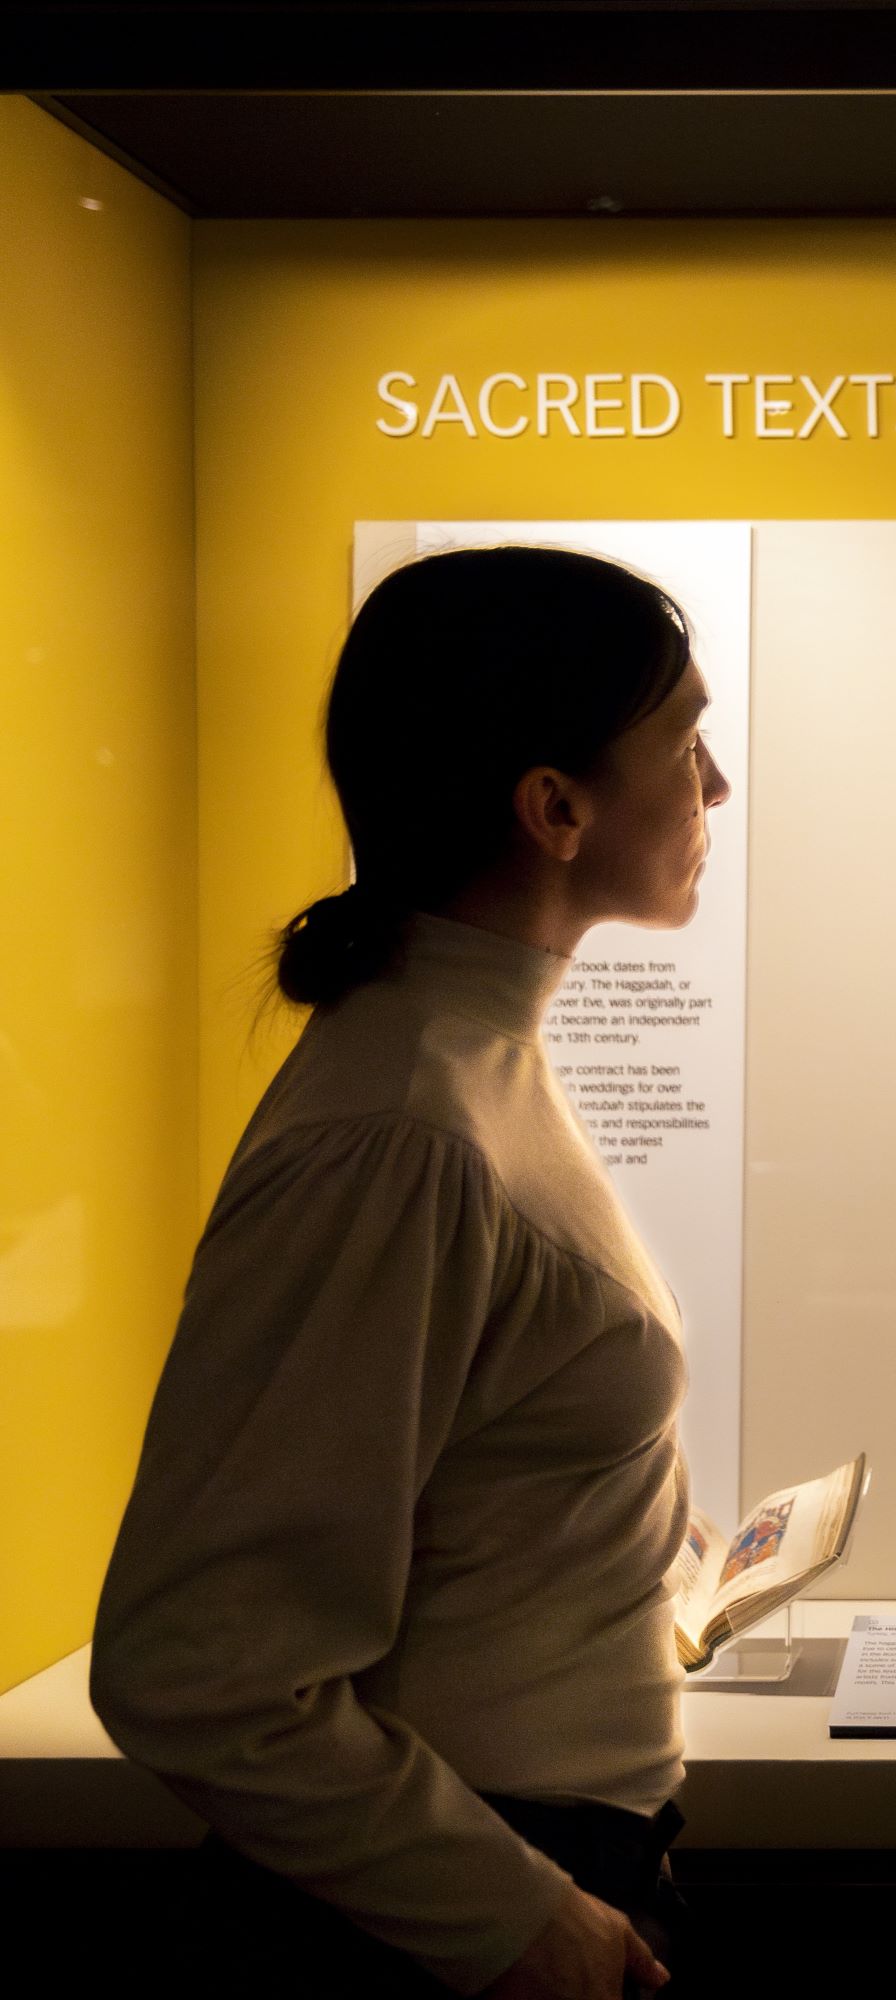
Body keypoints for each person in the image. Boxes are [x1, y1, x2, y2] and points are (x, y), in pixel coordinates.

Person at [88, 544, 731, 1997]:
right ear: (554, 808)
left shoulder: (469, 1063)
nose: (718, 793)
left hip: (522, 1862)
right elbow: (198, 1662)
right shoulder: (406, 1131)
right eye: (687, 748)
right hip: (443, 1913)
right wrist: (508, 1917)